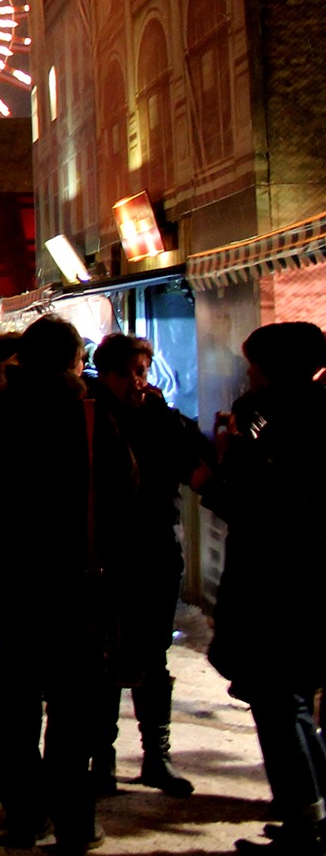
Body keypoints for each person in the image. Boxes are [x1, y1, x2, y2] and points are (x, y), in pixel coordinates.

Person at [0, 316, 140, 853]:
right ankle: (74, 820)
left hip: (15, 582)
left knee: (18, 702)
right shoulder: (91, 418)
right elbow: (124, 496)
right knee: (72, 709)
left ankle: (24, 817)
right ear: (75, 362)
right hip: (77, 584)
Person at [201, 323, 326, 855]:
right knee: (292, 699)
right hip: (304, 582)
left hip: (276, 584)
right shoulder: (307, 411)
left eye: (254, 362)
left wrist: (217, 476)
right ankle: (313, 816)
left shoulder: (279, 422)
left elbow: (263, 508)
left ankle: (304, 825)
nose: (247, 369)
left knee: (277, 702)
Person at [90, 332, 206, 798]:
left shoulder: (160, 418)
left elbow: (191, 458)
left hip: (157, 553)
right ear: (110, 374)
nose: (141, 382)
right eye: (133, 373)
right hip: (108, 555)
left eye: (144, 371)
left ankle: (157, 756)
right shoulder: (93, 417)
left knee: (154, 658)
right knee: (105, 660)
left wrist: (166, 418)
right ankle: (102, 757)